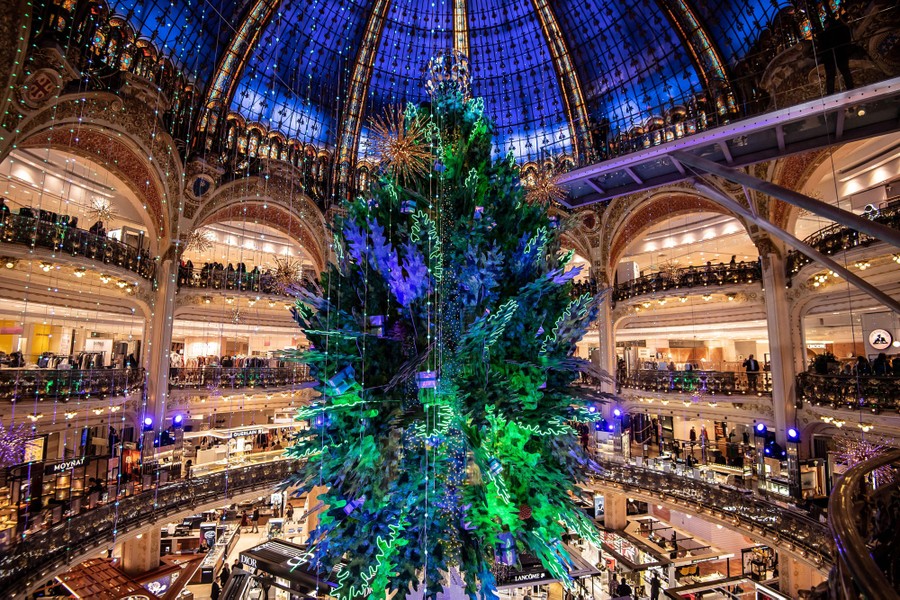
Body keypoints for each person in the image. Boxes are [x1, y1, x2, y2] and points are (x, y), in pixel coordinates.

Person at [816, 14, 855, 95]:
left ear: (827, 24)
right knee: (845, 72)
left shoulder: (824, 34)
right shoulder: (841, 29)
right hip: (841, 54)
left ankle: (830, 93)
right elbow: (847, 38)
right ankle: (851, 88)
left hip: (830, 57)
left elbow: (821, 47)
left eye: (825, 25)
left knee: (830, 76)